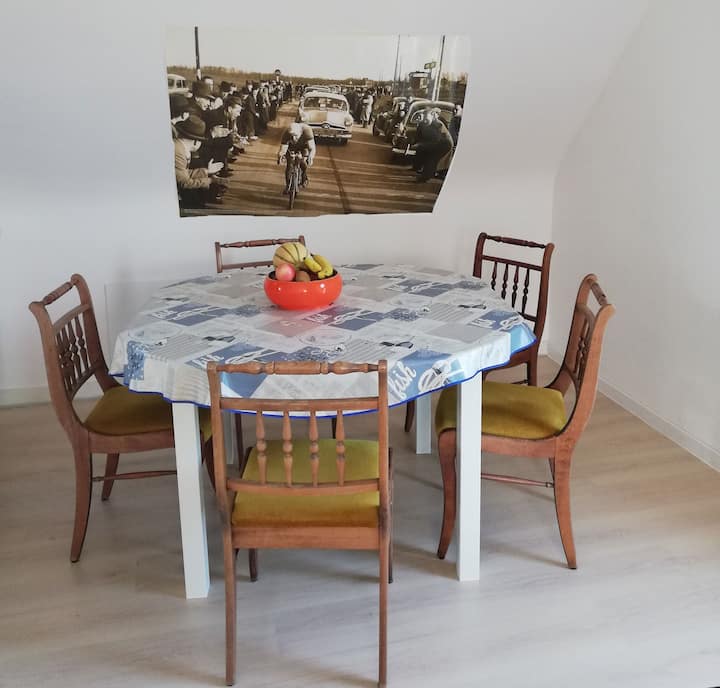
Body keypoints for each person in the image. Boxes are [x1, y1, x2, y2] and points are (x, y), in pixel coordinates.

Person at [174, 115, 226, 208]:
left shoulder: (179, 147)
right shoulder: (178, 152)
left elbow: (184, 173)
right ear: (195, 141)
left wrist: (206, 171)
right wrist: (210, 180)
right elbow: (185, 183)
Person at [411, 107, 454, 182]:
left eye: (427, 117)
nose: (425, 119)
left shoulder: (437, 124)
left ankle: (425, 177)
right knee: (429, 157)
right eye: (424, 117)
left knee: (432, 158)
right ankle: (425, 174)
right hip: (439, 143)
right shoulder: (428, 124)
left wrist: (420, 145)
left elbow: (435, 141)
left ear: (432, 116)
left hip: (445, 143)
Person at [277, 122, 316, 192]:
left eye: (295, 135)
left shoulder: (307, 130)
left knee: (303, 161)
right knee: (289, 165)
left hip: (304, 146)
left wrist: (310, 157)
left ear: (300, 132)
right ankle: (288, 186)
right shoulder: (287, 132)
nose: (294, 138)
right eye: (292, 135)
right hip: (291, 147)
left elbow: (312, 147)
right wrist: (280, 157)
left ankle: (304, 177)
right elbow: (283, 149)